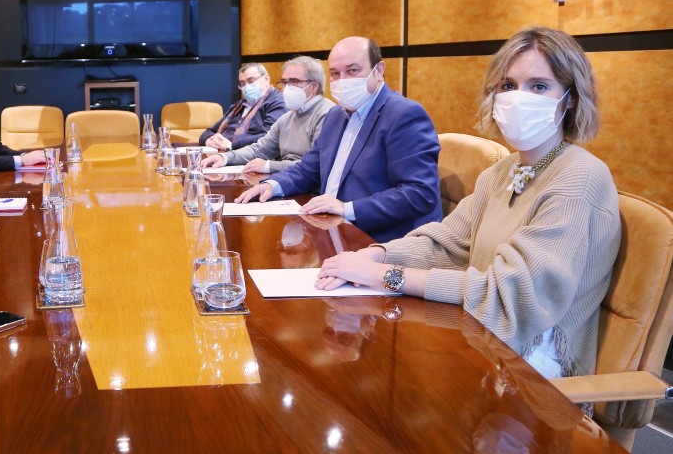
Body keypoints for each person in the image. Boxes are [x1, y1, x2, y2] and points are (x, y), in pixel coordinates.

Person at [316, 26, 620, 380]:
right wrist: (377, 255)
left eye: (539, 86)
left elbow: (511, 297)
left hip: (532, 367)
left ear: (570, 98)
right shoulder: (502, 171)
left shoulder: (579, 177)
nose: (518, 98)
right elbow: (446, 243)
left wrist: (386, 275)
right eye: (508, 85)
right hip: (483, 336)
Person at [236, 36, 442, 242]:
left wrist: (347, 208)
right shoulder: (335, 115)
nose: (342, 80)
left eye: (352, 70)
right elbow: (308, 169)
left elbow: (420, 193)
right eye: (335, 73)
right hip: (330, 228)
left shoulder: (404, 114)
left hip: (380, 240)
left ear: (378, 70)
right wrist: (272, 185)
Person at [201, 56, 332, 174]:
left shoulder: (327, 114)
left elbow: (315, 165)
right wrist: (225, 157)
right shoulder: (287, 118)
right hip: (288, 180)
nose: (287, 88)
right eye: (285, 82)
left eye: (294, 81)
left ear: (314, 86)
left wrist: (269, 166)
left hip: (312, 188)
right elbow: (259, 149)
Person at [199, 63, 286, 151]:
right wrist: (208, 140)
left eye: (251, 81)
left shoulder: (277, 102)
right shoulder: (238, 106)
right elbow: (209, 132)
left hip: (248, 155)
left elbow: (269, 138)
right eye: (242, 84)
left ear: (266, 79)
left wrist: (232, 145)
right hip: (220, 151)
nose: (247, 87)